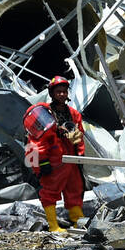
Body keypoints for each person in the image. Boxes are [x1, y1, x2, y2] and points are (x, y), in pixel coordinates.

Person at [24, 76, 86, 233]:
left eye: (64, 91)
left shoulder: (74, 114)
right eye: (58, 92)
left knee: (75, 190)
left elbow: (80, 136)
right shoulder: (43, 114)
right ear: (52, 93)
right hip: (53, 161)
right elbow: (37, 141)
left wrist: (80, 155)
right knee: (50, 192)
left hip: (70, 159)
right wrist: (42, 163)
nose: (62, 95)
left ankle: (77, 222)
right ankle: (53, 225)